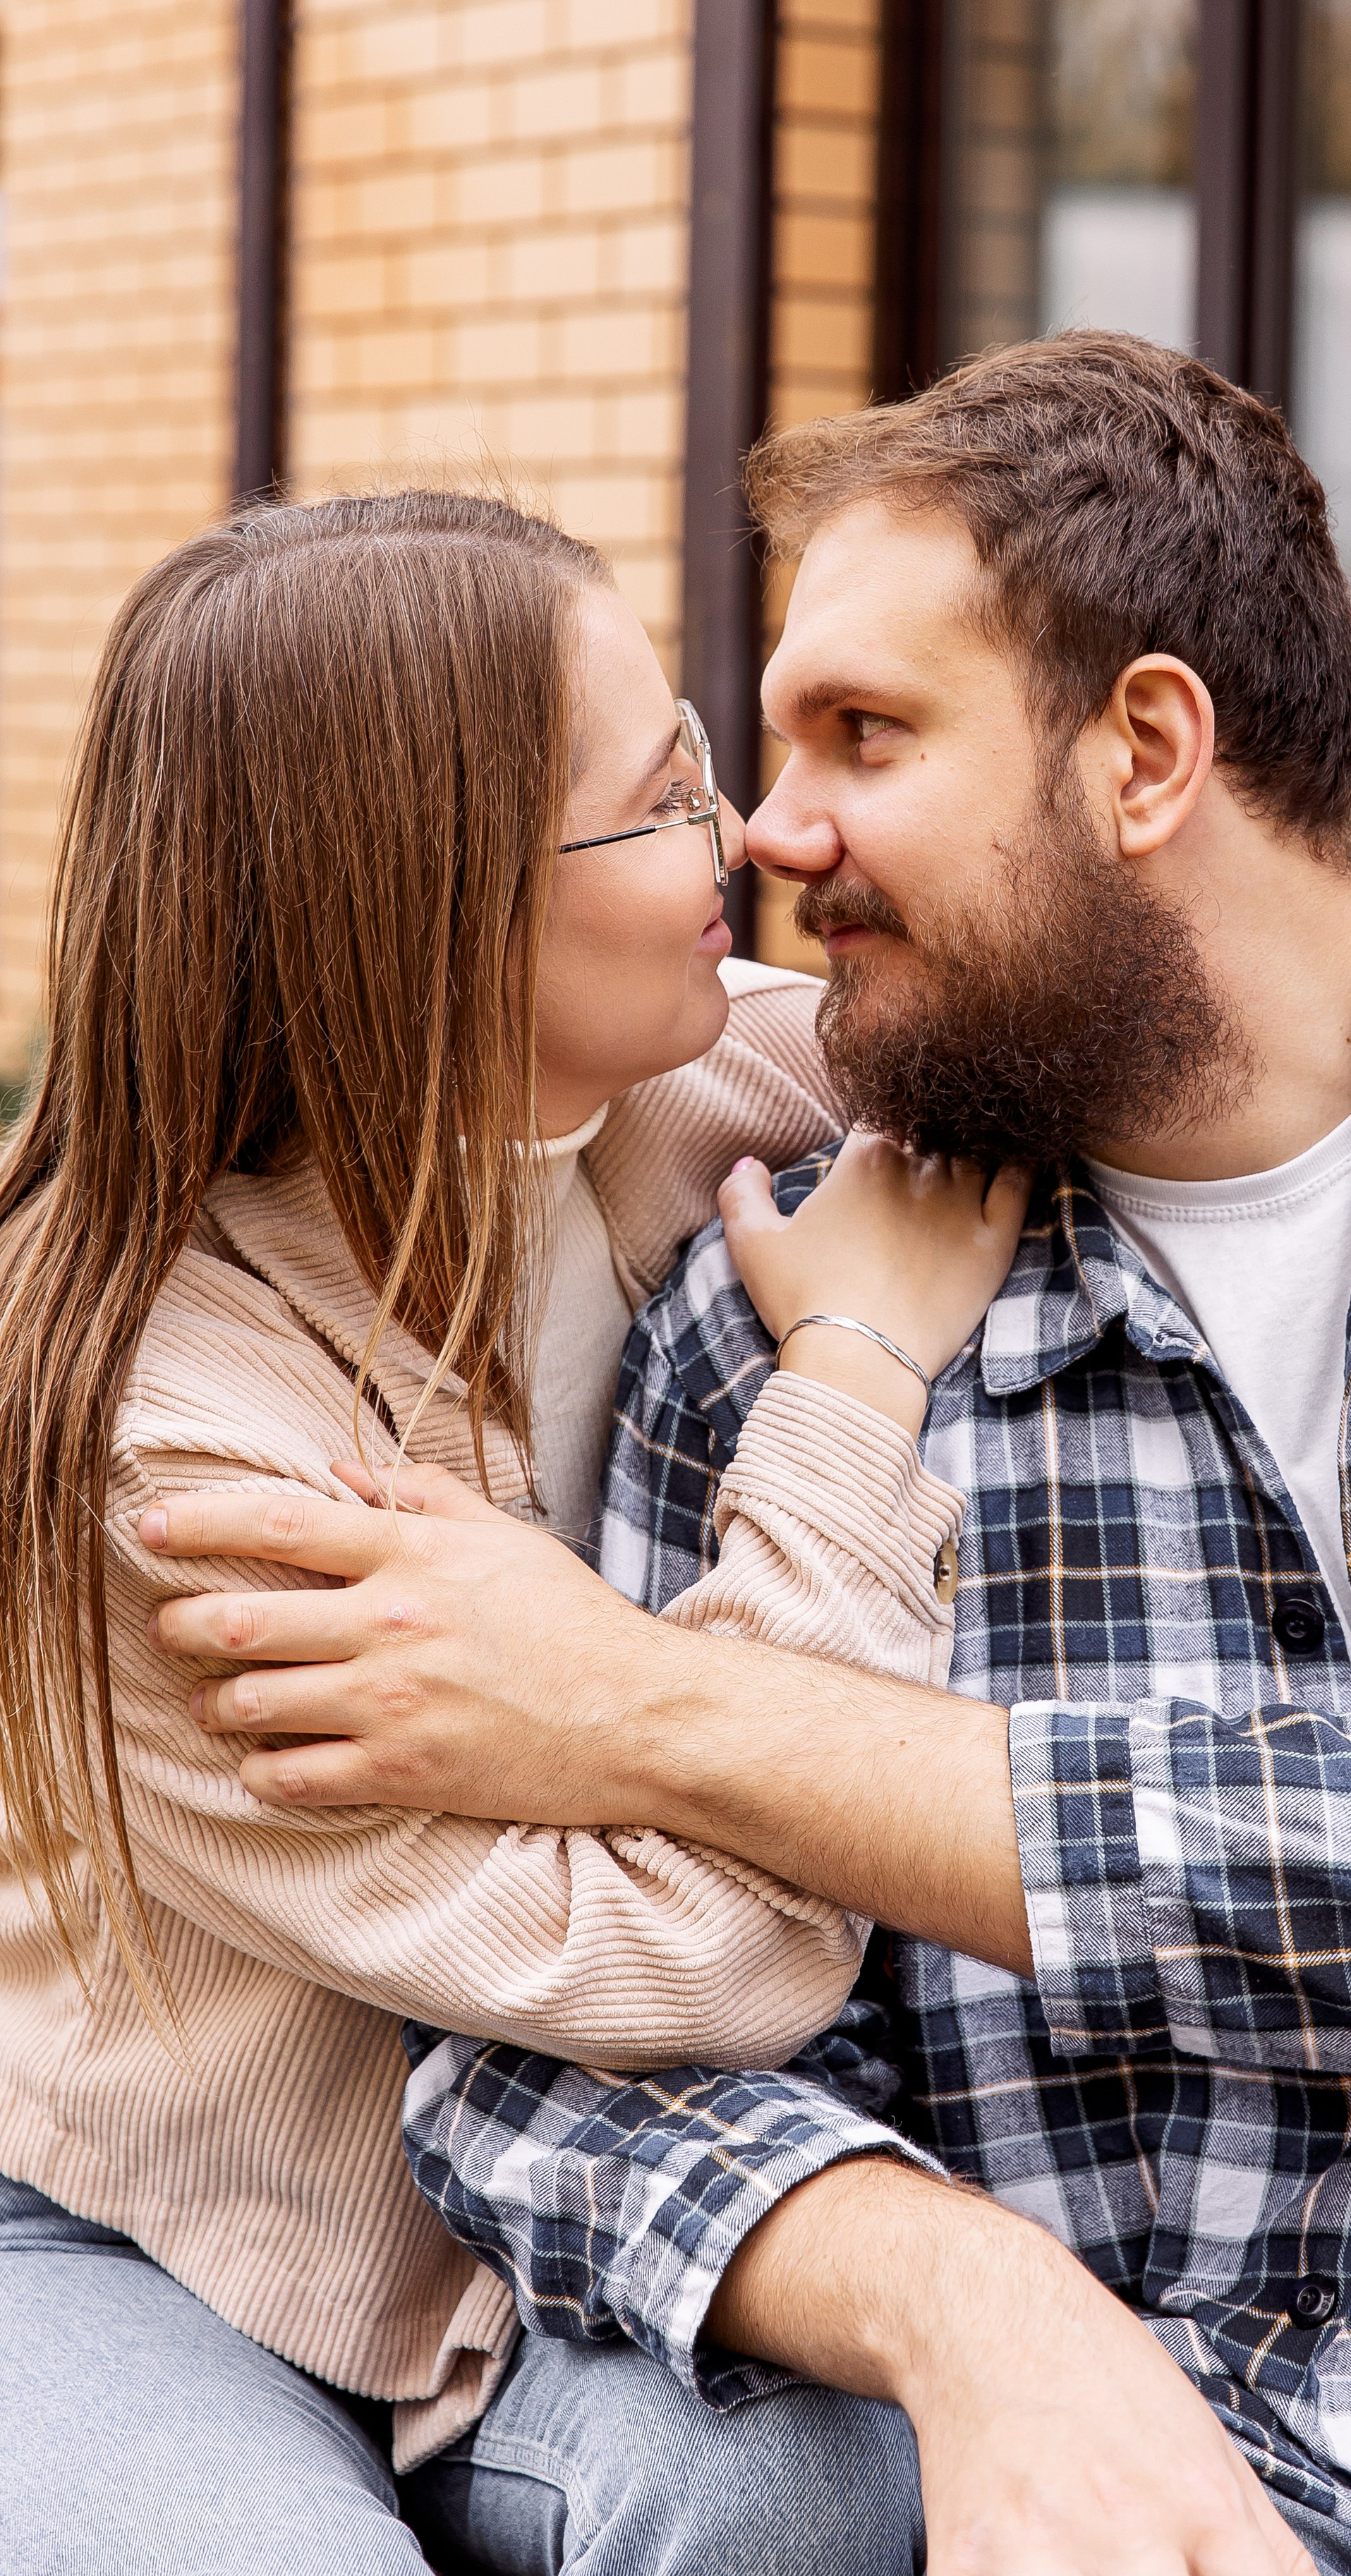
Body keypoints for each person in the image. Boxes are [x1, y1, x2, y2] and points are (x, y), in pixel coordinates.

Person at [149, 335, 1351, 2576]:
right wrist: (976, 2305)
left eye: (864, 735)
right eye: (752, 749)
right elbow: (544, 2082)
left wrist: (633, 1705)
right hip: (1191, 2427)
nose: (771, 831)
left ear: (1144, 751)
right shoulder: (800, 1305)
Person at [0, 487, 1036, 2570]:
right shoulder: (163, 1446)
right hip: (159, 2224)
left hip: (557, 2194)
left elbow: (1120, 1024)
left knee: (807, 2490)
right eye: (669, 799)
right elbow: (700, 1947)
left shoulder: (675, 1100)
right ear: (438, 905)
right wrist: (849, 1383)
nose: (745, 841)